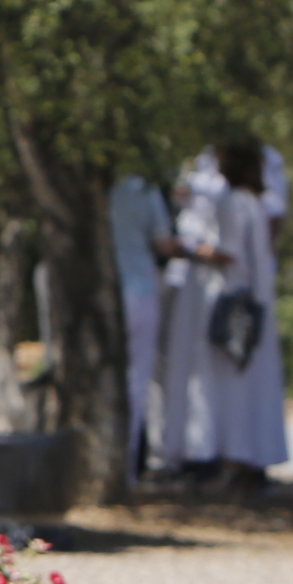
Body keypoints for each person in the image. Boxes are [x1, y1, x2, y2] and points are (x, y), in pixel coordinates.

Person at [155, 139, 286, 488]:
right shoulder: (254, 202)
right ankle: (242, 457)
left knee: (218, 380)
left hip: (228, 300)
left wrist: (187, 248)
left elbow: (228, 252)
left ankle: (222, 455)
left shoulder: (233, 201)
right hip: (252, 301)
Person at [107, 169, 177, 479]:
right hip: (139, 291)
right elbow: (163, 242)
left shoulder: (95, 191)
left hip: (105, 292)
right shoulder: (144, 189)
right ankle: (126, 467)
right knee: (137, 383)